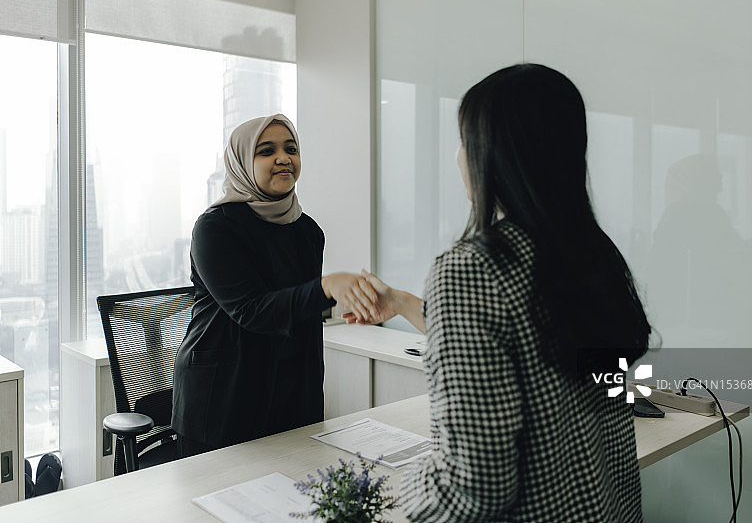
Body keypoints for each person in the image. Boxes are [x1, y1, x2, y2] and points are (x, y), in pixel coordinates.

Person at [345, 64, 655, 521]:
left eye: (464, 140)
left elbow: (474, 489)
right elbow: (524, 342)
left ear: (496, 153)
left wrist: (397, 491)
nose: (458, 157)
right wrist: (402, 302)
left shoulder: (473, 269)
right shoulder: (592, 253)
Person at [172, 114, 376, 457]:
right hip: (224, 396)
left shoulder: (308, 231)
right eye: (266, 150)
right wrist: (326, 288)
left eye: (291, 148)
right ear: (241, 162)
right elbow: (252, 310)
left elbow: (303, 311)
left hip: (292, 389)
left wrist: (350, 298)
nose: (284, 157)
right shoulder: (215, 228)